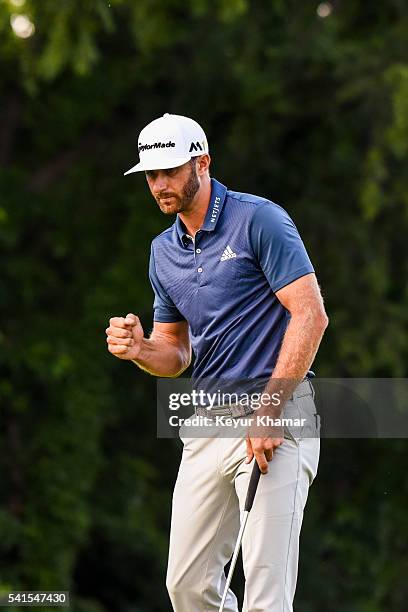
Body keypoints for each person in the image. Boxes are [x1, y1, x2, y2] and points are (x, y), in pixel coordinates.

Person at [106, 113, 329, 611]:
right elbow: (177, 351)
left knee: (266, 594)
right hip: (207, 422)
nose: (159, 184)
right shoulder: (163, 250)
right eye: (150, 174)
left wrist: (271, 409)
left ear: (201, 163)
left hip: (276, 415)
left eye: (169, 170)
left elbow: (311, 315)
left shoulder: (258, 219)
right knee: (187, 585)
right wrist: (142, 349)